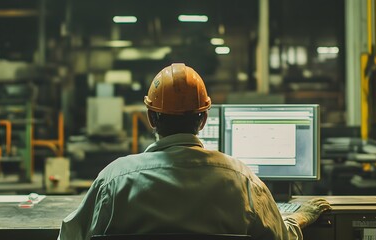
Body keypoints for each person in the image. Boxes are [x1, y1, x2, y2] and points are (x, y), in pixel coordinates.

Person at [58, 63, 331, 240]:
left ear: (152, 118)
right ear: (203, 120)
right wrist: (298, 218)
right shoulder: (241, 179)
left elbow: (70, 235)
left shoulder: (114, 180)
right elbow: (280, 238)